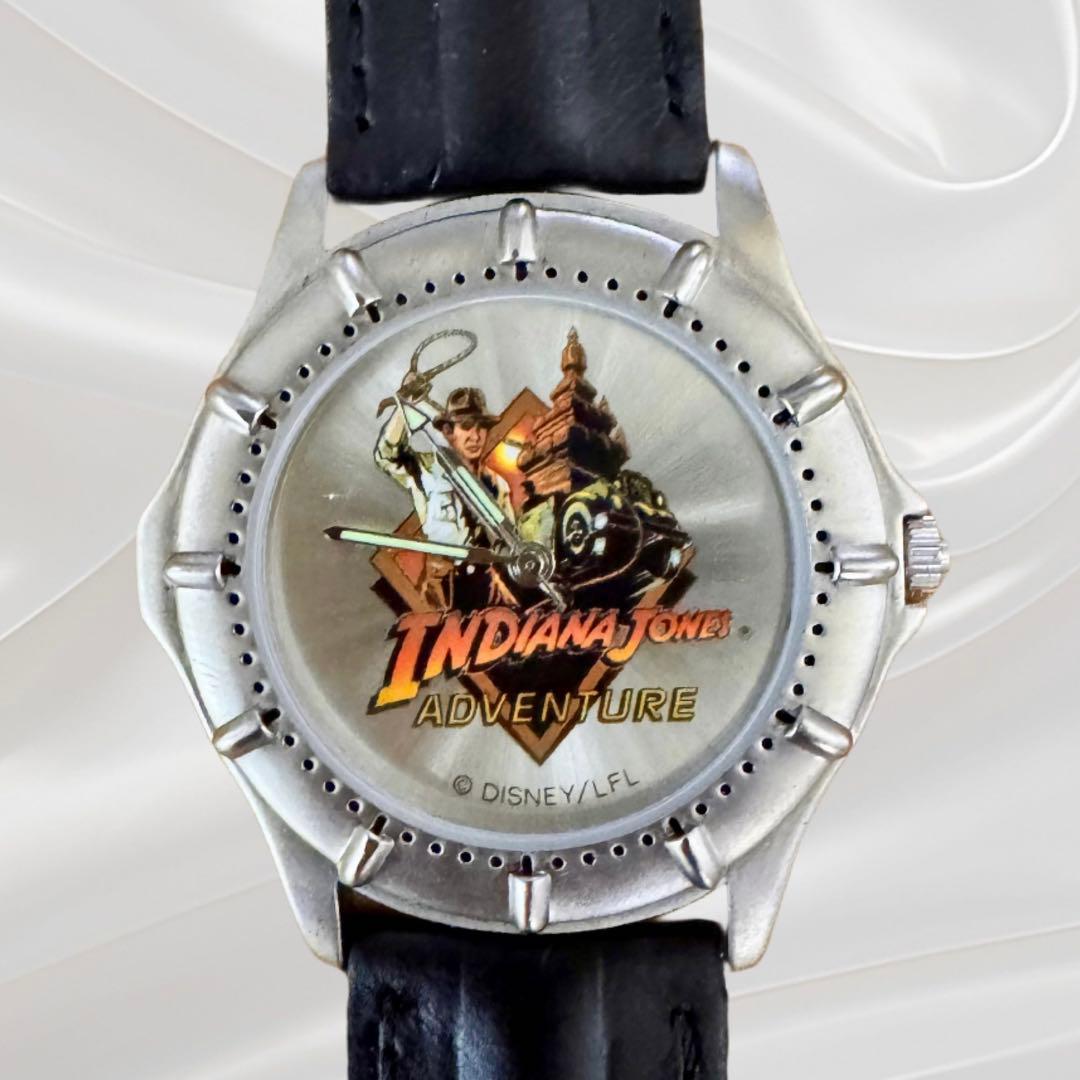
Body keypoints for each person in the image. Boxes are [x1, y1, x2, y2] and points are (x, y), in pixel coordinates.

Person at [375, 386, 515, 610]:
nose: (475, 436)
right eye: (466, 426)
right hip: (443, 589)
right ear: (449, 431)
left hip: (488, 586)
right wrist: (404, 404)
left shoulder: (497, 485)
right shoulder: (425, 469)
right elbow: (385, 456)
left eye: (482, 426)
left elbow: (511, 545)